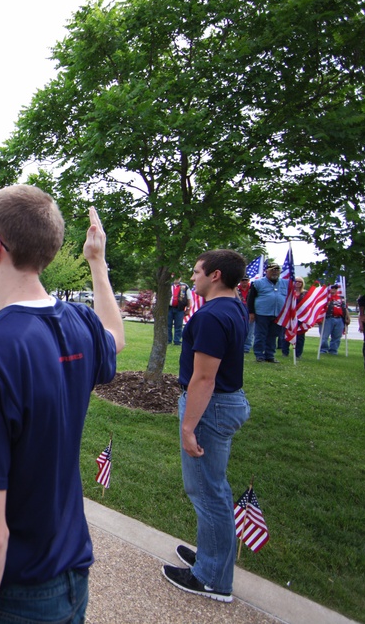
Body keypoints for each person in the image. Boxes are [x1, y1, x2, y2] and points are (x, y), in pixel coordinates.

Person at [0, 185, 124, 623]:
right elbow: (117, 337)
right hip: (72, 574)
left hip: (15, 597)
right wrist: (97, 261)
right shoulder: (79, 323)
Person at [162, 249, 250, 603]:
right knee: (214, 488)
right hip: (223, 404)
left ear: (215, 275)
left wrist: (188, 427)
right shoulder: (234, 307)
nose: (192, 277)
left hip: (210, 408)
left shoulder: (213, 316)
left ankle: (212, 578)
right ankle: (211, 557)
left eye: (197, 272)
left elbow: (203, 378)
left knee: (208, 491)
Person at [247, 262, 288, 363]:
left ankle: (270, 355)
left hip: (278, 313)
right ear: (266, 271)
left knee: (273, 335)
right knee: (260, 334)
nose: (274, 272)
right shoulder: (257, 283)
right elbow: (250, 298)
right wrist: (251, 312)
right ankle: (259, 355)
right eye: (272, 270)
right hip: (262, 313)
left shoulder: (285, 283)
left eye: (277, 270)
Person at [319, 284, 350, 355]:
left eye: (335, 288)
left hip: (339, 319)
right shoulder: (325, 297)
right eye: (332, 288)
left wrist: (347, 317)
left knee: (337, 336)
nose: (334, 289)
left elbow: (345, 308)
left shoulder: (341, 298)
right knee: (324, 336)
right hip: (328, 318)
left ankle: (333, 350)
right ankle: (323, 350)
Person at [280, 278, 306, 358]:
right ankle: (285, 352)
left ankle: (298, 354)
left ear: (302, 283)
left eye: (300, 282)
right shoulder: (289, 292)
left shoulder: (305, 293)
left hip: (300, 317)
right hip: (289, 316)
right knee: (286, 334)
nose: (298, 283)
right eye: (296, 281)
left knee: (300, 336)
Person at [167, 275, 190, 345]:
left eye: (178, 277)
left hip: (180, 308)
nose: (176, 279)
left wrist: (188, 308)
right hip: (169, 308)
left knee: (179, 325)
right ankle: (168, 340)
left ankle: (177, 340)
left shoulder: (184, 286)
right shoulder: (168, 285)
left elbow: (189, 298)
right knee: (168, 325)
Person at [237, 276, 253, 354]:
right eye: (242, 280)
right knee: (239, 329)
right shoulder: (236, 289)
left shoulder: (252, 289)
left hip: (249, 311)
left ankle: (246, 348)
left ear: (248, 281)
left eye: (245, 280)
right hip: (239, 311)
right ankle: (238, 346)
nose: (244, 282)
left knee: (250, 330)